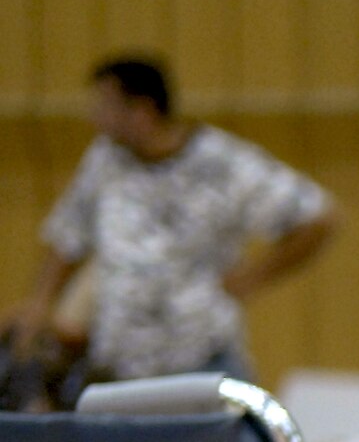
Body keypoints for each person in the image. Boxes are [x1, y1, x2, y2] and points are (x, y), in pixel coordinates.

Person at [5, 56, 338, 382]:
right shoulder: (105, 159)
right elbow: (69, 235)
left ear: (142, 110)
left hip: (198, 354)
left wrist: (253, 277)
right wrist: (40, 303)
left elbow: (318, 217)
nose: (95, 118)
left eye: (105, 106)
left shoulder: (222, 163)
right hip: (118, 362)